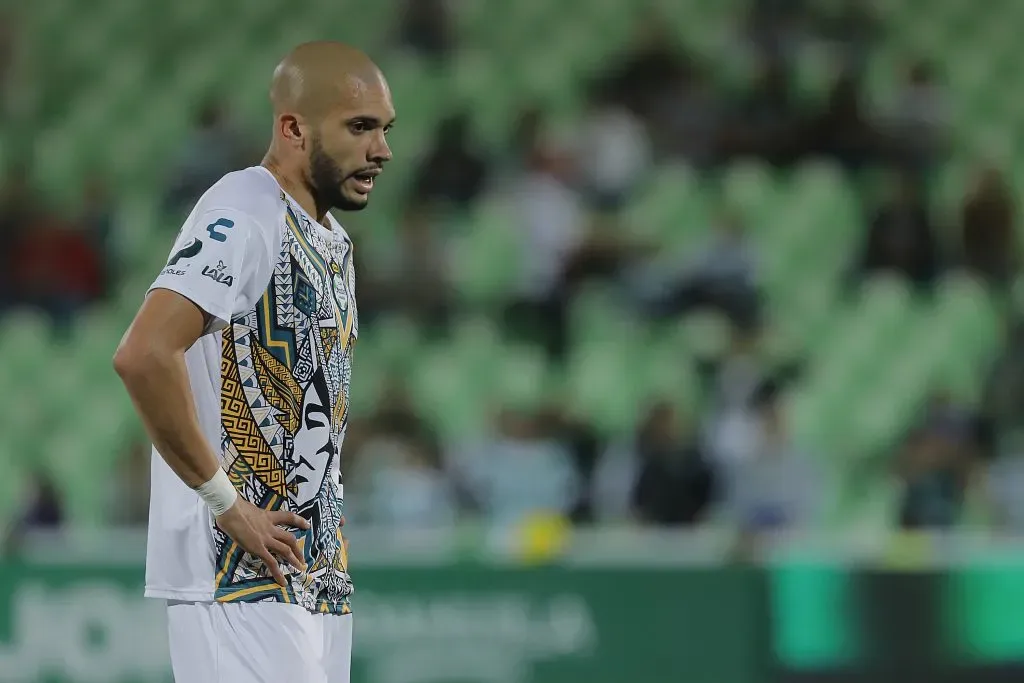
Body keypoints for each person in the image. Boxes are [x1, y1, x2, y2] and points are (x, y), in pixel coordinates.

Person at [113, 41, 395, 683]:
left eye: (384, 128)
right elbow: (145, 353)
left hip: (307, 568)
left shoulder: (331, 239)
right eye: (359, 127)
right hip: (233, 570)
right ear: (293, 128)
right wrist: (225, 502)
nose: (381, 149)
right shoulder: (245, 210)